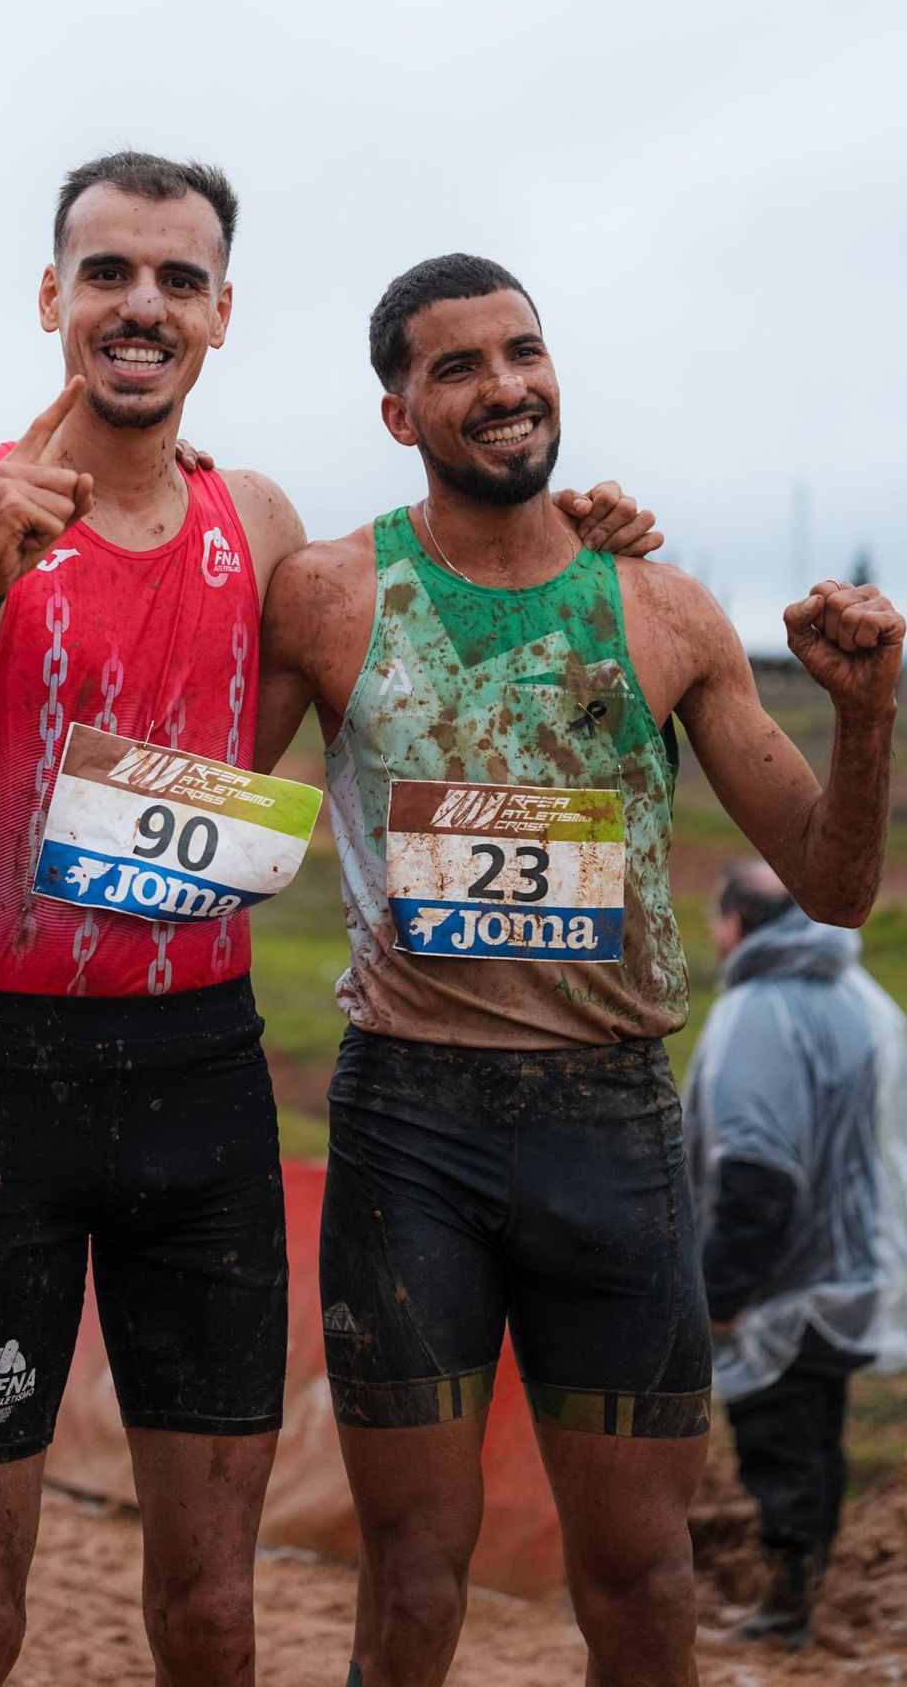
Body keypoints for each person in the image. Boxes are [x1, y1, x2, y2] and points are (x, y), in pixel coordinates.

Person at [0, 173, 655, 1687]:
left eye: (178, 277)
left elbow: (449, 602)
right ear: (51, 299)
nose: (140, 305)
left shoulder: (267, 524)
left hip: (201, 1089)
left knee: (215, 1614)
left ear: (223, 314)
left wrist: (589, 524)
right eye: (106, 271)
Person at [253, 252, 904, 1687]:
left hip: (609, 1133)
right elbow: (207, 820)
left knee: (644, 1584)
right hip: (407, 1130)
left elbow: (838, 883)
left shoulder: (661, 611)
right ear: (396, 410)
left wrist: (865, 723)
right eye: (460, 367)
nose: (505, 388)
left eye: (523, 353)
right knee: (414, 1583)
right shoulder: (326, 596)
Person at [685, 859, 907, 1649]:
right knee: (818, 1439)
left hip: (784, 1283)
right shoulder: (861, 999)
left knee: (781, 1446)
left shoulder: (760, 1012)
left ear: (738, 923)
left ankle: (785, 1610)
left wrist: (719, 1293)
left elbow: (755, 1172)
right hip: (851, 1274)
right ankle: (799, 1596)